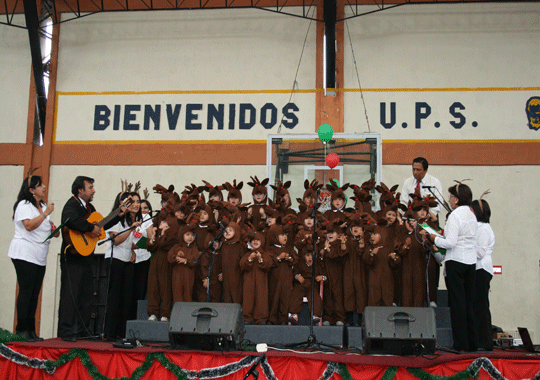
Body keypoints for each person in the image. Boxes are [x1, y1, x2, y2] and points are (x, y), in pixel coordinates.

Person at [58, 176, 123, 342]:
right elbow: (70, 220)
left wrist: (118, 215)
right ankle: (66, 331)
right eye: (90, 187)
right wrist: (89, 227)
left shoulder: (90, 207)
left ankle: (82, 331)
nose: (93, 190)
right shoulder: (71, 204)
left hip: (86, 256)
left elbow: (100, 226)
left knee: (87, 296)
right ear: (80, 190)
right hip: (72, 256)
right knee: (70, 295)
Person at [429, 183, 478, 352]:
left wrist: (433, 238)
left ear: (456, 199)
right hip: (471, 262)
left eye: (451, 197)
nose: (449, 200)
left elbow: (450, 242)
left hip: (456, 262)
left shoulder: (455, 215)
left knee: (457, 304)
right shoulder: (472, 215)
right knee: (468, 303)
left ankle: (460, 344)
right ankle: (472, 342)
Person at [9, 175, 58, 342]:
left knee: (35, 292)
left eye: (43, 184)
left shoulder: (43, 206)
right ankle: (21, 329)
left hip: (39, 254)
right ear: (31, 190)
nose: (44, 187)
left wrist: (54, 229)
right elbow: (29, 226)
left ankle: (31, 330)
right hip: (25, 252)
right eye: (40, 185)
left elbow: (44, 226)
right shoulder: (24, 205)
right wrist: (45, 215)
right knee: (26, 290)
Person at [103, 192, 141, 339]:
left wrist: (140, 246)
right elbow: (117, 240)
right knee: (114, 297)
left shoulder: (135, 220)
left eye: (138, 201)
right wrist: (131, 228)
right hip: (115, 259)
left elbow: (129, 243)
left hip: (127, 261)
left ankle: (121, 332)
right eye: (132, 202)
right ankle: (109, 333)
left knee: (127, 298)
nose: (136, 204)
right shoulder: (115, 220)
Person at [471, 198, 495, 351]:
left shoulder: (483, 229)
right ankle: (478, 340)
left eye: (472, 211)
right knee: (476, 306)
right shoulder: (477, 228)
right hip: (476, 269)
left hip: (481, 269)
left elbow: (479, 252)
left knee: (481, 306)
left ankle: (485, 341)